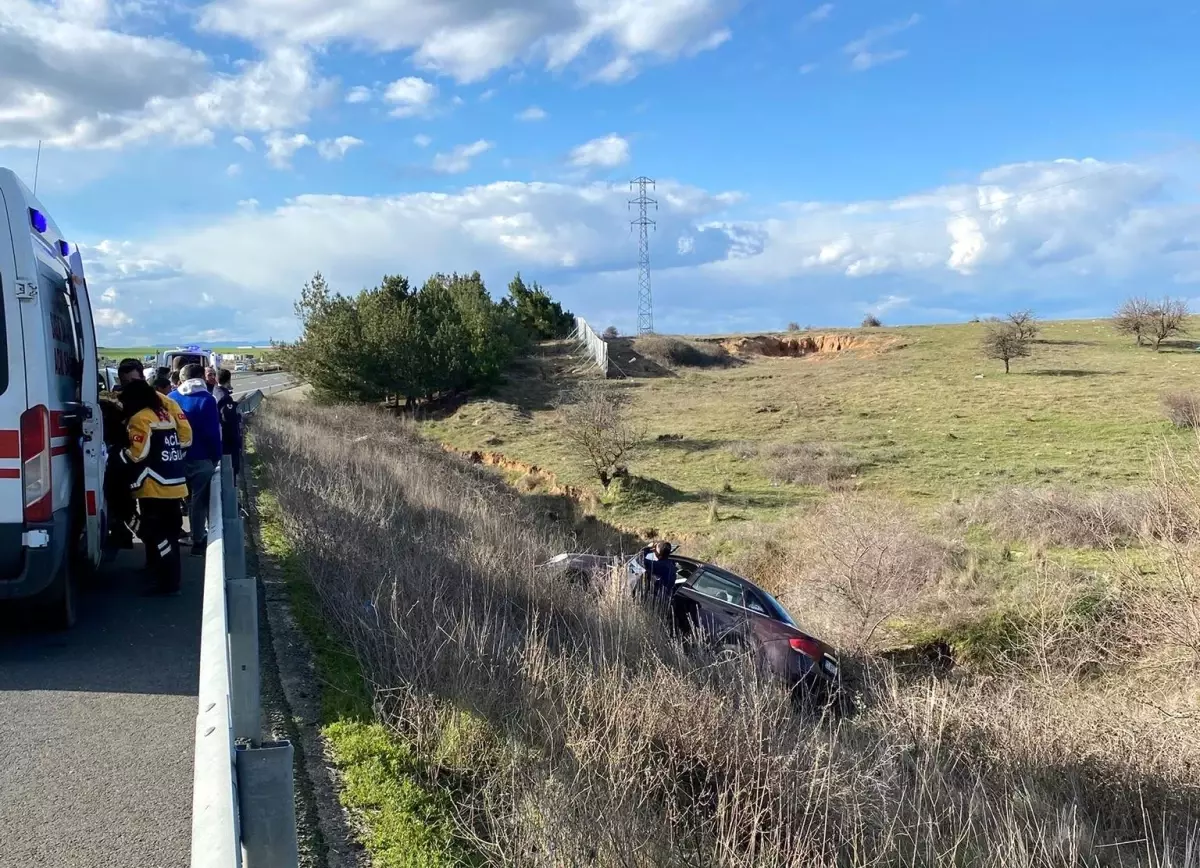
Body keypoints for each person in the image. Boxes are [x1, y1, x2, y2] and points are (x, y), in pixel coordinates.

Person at [117, 379, 192, 594]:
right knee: (170, 535)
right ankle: (168, 579)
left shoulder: (140, 419)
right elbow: (184, 438)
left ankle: (166, 583)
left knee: (159, 536)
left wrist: (117, 456)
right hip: (174, 484)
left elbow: (137, 453)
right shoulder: (165, 415)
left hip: (154, 486)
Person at [170, 363, 222, 553]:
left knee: (176, 499)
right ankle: (198, 539)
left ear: (181, 379)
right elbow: (212, 434)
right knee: (198, 502)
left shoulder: (171, 398)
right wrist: (215, 457)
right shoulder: (207, 400)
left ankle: (172, 538)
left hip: (175, 459)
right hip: (201, 460)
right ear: (201, 377)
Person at [212, 368, 243, 480]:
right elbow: (229, 421)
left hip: (219, 438)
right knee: (231, 472)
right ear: (228, 380)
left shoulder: (215, 391)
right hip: (228, 442)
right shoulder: (225, 397)